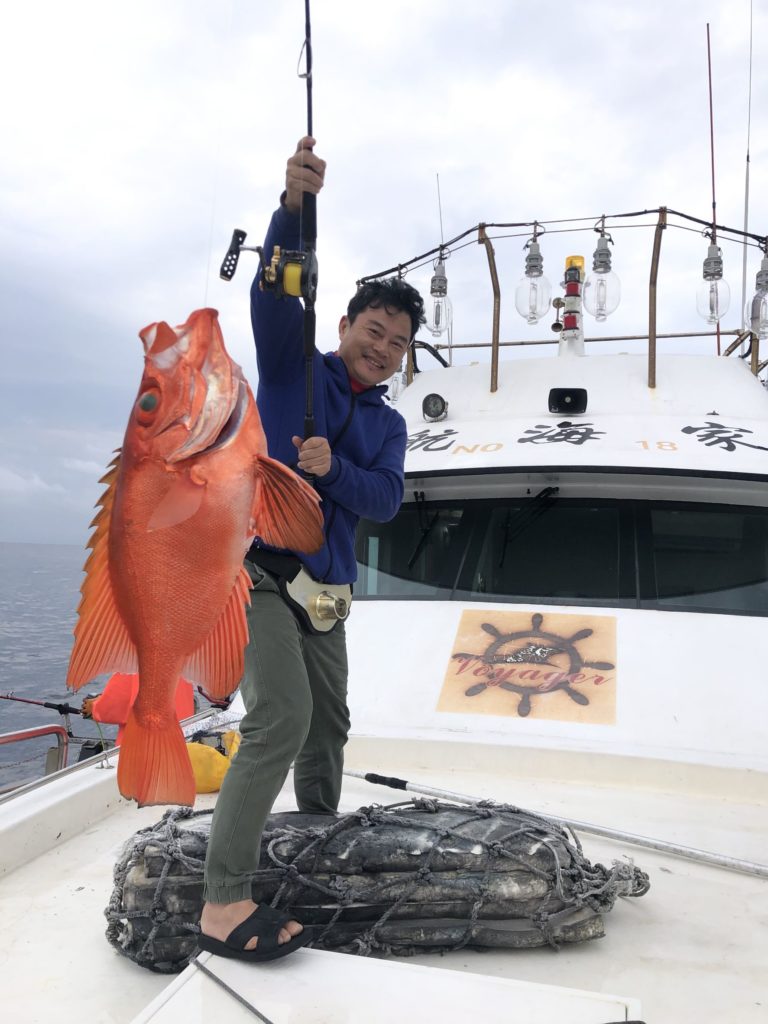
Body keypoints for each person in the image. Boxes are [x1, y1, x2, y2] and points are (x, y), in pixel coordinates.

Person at [198, 137, 425, 963]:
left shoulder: (391, 423)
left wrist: (334, 474)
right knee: (281, 720)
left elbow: (388, 500)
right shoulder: (298, 366)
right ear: (344, 325)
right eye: (374, 331)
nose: (382, 348)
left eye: (398, 342)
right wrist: (292, 208)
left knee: (328, 729)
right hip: (262, 577)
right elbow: (273, 293)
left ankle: (316, 841)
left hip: (329, 597)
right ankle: (223, 902)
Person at [81, 673, 195, 745]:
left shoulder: (136, 661)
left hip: (144, 748)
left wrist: (94, 707)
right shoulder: (180, 657)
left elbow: (116, 703)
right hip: (181, 740)